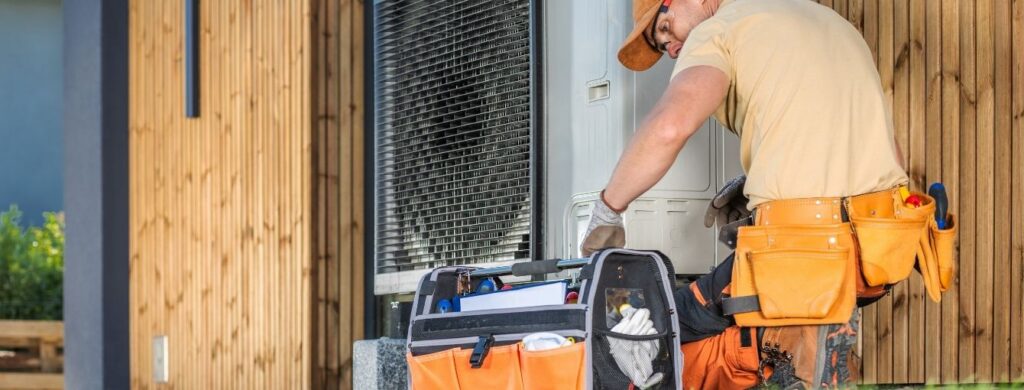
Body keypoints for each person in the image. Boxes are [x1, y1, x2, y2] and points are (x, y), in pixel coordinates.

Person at [580, 0, 910, 387]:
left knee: (667, 317)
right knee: (751, 315)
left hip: (804, 250)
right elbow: (885, 149)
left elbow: (670, 127)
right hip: (879, 246)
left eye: (665, 27)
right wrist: (765, 180)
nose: (670, 48)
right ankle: (802, 346)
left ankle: (793, 357)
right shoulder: (823, 19)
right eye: (661, 44)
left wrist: (608, 208)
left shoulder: (718, 29)